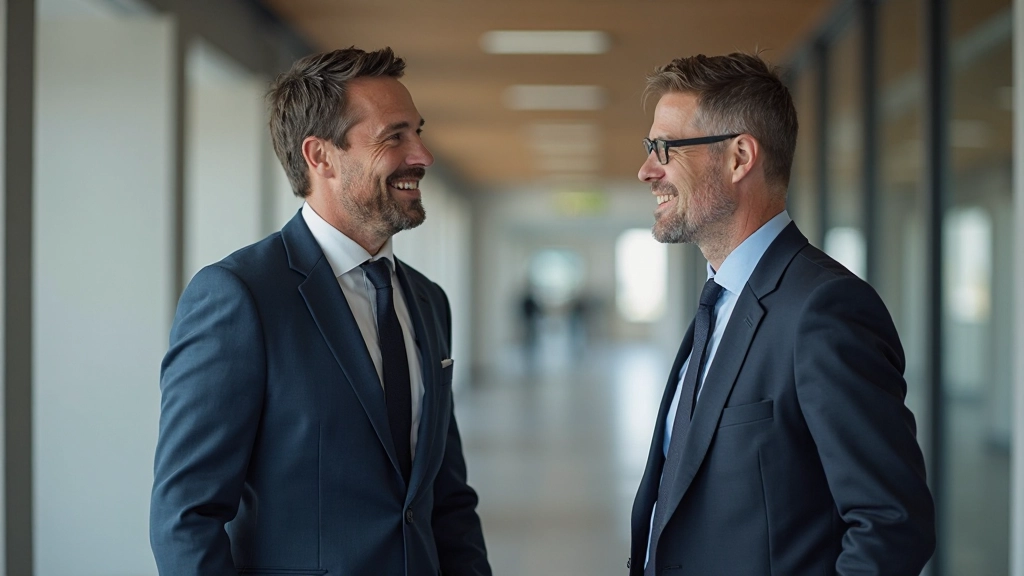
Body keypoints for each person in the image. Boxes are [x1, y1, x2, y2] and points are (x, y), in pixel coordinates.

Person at [150, 47, 491, 576]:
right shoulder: (239, 296)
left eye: (417, 132)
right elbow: (186, 517)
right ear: (320, 155)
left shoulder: (428, 301)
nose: (421, 154)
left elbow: (446, 499)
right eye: (394, 136)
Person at [628, 52, 934, 576]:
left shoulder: (825, 309)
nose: (646, 170)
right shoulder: (719, 301)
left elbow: (891, 523)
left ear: (740, 157)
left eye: (664, 148)